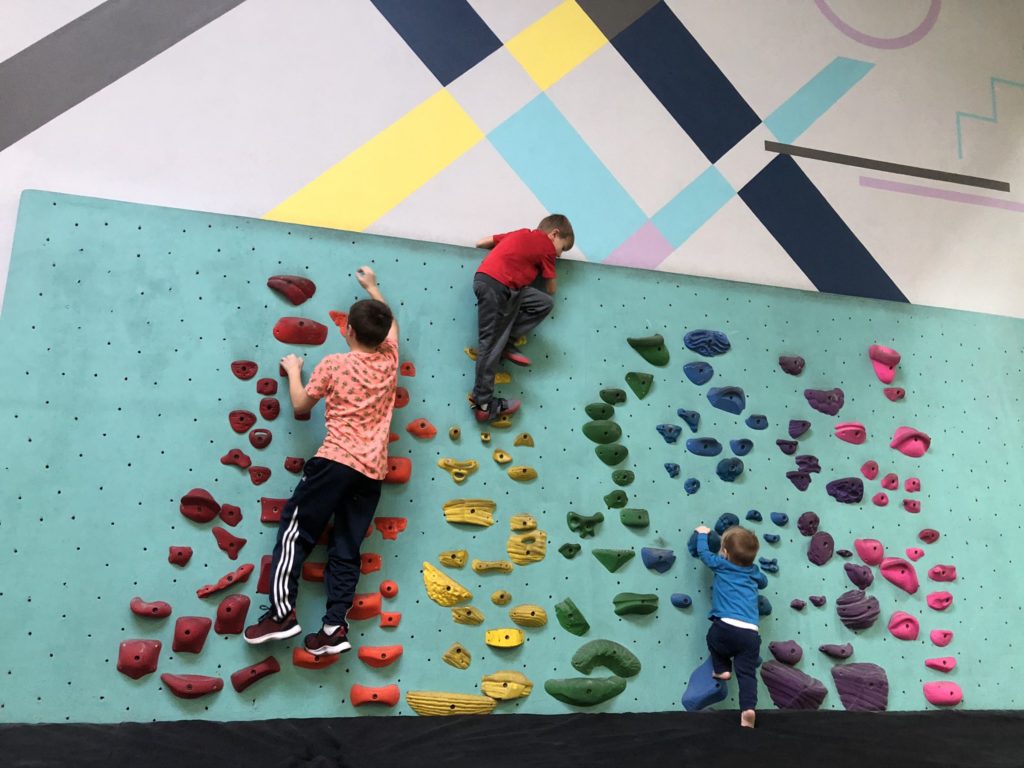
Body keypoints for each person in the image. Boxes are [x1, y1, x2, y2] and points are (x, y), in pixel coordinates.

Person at [243, 265, 399, 656]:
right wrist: (374, 288)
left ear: (347, 329)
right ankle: (334, 628)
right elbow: (392, 327)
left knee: (295, 534)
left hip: (334, 463)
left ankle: (281, 614)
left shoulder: (333, 364)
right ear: (380, 337)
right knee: (346, 547)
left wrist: (294, 370)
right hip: (371, 472)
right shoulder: (389, 362)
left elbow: (300, 404)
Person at [471, 214, 573, 423]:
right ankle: (483, 404)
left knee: (542, 303)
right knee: (490, 344)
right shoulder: (545, 246)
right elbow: (552, 288)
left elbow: (482, 242)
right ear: (554, 234)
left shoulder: (519, 233)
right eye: (562, 249)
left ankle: (507, 342)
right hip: (497, 286)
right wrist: (549, 264)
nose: (559, 255)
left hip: (501, 286)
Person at [694, 524, 769, 728]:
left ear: (725, 552)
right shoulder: (753, 571)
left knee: (713, 640)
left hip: (725, 626)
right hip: (750, 634)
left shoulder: (722, 564)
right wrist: (756, 574)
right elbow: (763, 582)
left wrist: (702, 535)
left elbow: (704, 554)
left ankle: (722, 669)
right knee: (747, 675)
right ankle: (748, 710)